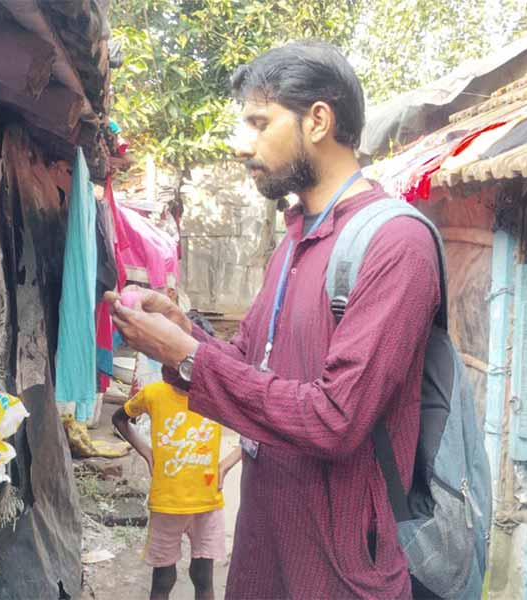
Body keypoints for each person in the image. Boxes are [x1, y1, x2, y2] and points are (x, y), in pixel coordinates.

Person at [104, 41, 441, 599]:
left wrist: (183, 355)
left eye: (259, 123)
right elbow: (248, 363)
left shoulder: (396, 244)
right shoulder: (295, 238)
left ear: (318, 120)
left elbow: (336, 418)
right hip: (264, 547)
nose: (242, 145)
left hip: (339, 569)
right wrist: (182, 331)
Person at [112, 369, 240, 600]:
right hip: (167, 505)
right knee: (162, 579)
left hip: (207, 504)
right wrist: (147, 452)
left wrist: (226, 465)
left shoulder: (215, 396)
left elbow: (253, 428)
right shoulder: (153, 394)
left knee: (203, 577)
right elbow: (119, 418)